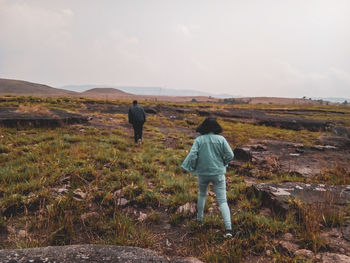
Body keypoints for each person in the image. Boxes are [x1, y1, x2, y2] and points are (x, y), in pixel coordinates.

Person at [181, 117, 234, 238]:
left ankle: (199, 220)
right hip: (218, 173)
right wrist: (223, 162)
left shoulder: (199, 140)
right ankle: (228, 229)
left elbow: (193, 154)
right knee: (222, 200)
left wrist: (192, 166)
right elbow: (231, 154)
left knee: (202, 195)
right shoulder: (221, 139)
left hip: (203, 173)